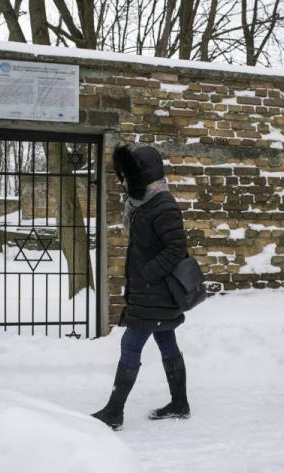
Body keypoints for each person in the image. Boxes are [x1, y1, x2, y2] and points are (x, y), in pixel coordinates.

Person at [91, 145, 189, 430]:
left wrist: (147, 273)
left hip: (153, 292)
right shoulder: (146, 203)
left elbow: (176, 248)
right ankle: (180, 403)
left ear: (143, 175)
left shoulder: (163, 206)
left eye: (127, 176)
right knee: (166, 341)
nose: (123, 182)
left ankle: (114, 411)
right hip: (151, 293)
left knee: (130, 344)